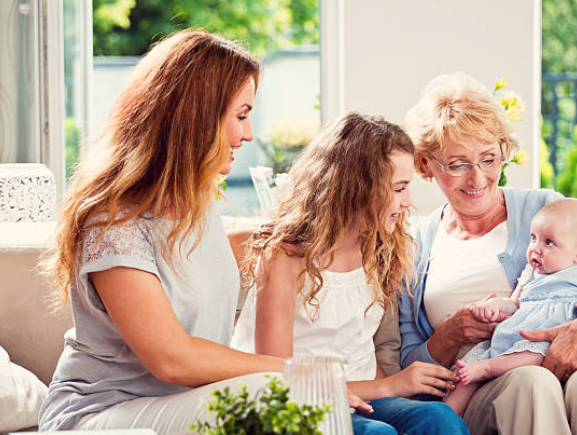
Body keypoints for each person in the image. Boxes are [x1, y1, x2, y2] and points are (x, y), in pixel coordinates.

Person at [38, 30, 292, 433]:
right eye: (241, 115)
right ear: (197, 116)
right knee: (270, 394)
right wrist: (295, 372)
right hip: (99, 415)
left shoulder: (198, 202)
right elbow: (172, 359)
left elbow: (184, 264)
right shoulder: (111, 221)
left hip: (176, 409)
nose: (248, 134)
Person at [398, 72, 577, 434]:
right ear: (426, 165)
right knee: (532, 381)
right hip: (485, 387)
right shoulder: (413, 242)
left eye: (489, 159)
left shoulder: (546, 209)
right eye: (458, 164)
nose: (478, 178)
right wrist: (451, 335)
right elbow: (406, 361)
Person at [231, 112, 469, 435]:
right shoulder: (286, 256)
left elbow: (357, 351)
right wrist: (392, 386)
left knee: (441, 420)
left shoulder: (381, 249)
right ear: (358, 188)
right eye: (399, 188)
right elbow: (278, 374)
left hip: (364, 395)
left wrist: (393, 385)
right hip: (300, 400)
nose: (409, 201)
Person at [443, 198, 577, 415]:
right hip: (515, 341)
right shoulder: (531, 274)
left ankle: (486, 370)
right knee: (467, 373)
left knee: (534, 354)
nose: (535, 249)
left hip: (552, 344)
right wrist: (493, 305)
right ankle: (442, 417)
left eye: (548, 242)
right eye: (533, 238)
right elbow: (515, 303)